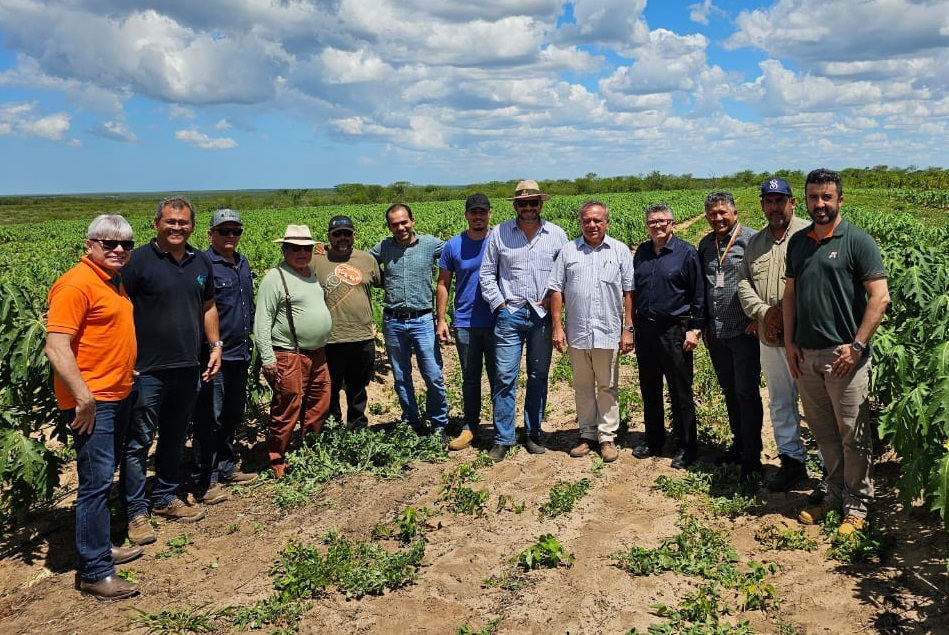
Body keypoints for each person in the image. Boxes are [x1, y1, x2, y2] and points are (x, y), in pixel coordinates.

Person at [784, 168, 889, 536]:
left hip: (845, 357)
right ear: (806, 199)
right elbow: (791, 295)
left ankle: (857, 507)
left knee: (853, 434)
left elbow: (880, 297)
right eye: (814, 197)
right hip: (808, 356)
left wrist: (858, 346)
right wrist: (790, 341)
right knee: (824, 432)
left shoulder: (857, 241)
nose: (820, 204)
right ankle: (834, 493)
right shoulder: (799, 243)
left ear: (840, 199)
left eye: (827, 197)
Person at [45, 215, 142, 600]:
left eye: (125, 244)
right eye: (109, 243)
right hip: (94, 402)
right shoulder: (75, 284)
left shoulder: (111, 282)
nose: (118, 249)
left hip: (117, 394)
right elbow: (56, 346)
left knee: (104, 477)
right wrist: (83, 398)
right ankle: (94, 571)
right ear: (90, 245)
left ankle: (101, 548)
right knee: (95, 484)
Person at [122, 197, 221, 546]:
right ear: (156, 224)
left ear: (192, 226)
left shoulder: (200, 262)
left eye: (183, 222)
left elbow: (208, 306)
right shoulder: (137, 262)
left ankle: (164, 497)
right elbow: (120, 311)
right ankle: (135, 511)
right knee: (138, 442)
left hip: (188, 365)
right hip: (146, 370)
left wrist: (215, 346)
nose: (176, 227)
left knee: (175, 436)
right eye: (170, 221)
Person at [480, 180, 568, 462]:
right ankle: (503, 437)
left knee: (538, 376)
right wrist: (501, 305)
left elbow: (564, 276)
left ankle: (533, 433)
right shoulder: (500, 234)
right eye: (523, 203)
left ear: (541, 204)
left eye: (533, 203)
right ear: (515, 206)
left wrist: (554, 305)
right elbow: (487, 274)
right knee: (505, 376)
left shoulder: (556, 234)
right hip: (511, 315)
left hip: (542, 317)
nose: (528, 208)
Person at [737, 177, 811, 491]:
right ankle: (792, 462)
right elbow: (743, 283)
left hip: (808, 337)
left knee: (816, 402)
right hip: (770, 335)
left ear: (793, 203)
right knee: (781, 401)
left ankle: (834, 471)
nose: (774, 207)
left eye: (780, 200)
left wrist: (789, 315)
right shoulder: (756, 242)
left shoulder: (809, 235)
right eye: (768, 201)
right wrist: (766, 313)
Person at [548, 200, 635, 463]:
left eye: (597, 220)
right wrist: (557, 327)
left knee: (608, 386)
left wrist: (628, 328)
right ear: (580, 223)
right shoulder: (568, 251)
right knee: (583, 386)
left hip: (608, 330)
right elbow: (556, 290)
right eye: (587, 220)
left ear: (606, 222)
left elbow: (629, 292)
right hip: (577, 331)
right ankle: (587, 434)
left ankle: (607, 436)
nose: (592, 225)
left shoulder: (619, 251)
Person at [190, 209, 257, 506]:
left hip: (240, 352)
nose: (230, 236)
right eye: (224, 231)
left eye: (235, 230)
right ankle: (205, 480)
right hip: (214, 354)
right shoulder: (203, 265)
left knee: (231, 413)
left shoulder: (243, 263)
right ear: (210, 234)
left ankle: (226, 466)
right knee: (210, 418)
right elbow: (200, 309)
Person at [254, 225, 333, 478]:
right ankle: (278, 458)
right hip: (289, 354)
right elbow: (262, 322)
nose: (301, 253)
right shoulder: (275, 278)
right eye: (295, 248)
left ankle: (310, 449)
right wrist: (267, 358)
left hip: (317, 353)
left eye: (306, 248)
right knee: (287, 407)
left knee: (318, 404)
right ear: (284, 249)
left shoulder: (309, 273)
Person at [631, 204, 704, 469]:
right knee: (649, 387)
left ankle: (687, 446)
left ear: (672, 223)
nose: (657, 226)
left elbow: (698, 294)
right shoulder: (642, 252)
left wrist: (694, 329)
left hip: (675, 329)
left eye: (662, 221)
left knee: (680, 390)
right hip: (646, 329)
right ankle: (654, 439)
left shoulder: (686, 253)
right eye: (652, 222)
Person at [698, 191, 764, 481]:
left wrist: (759, 318)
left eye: (723, 212)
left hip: (744, 332)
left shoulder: (752, 240)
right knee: (729, 392)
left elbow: (765, 279)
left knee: (747, 393)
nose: (718, 218)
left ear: (735, 213)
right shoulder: (705, 244)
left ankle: (752, 456)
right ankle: (738, 444)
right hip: (717, 332)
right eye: (712, 213)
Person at [369, 204, 448, 437]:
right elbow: (360, 261)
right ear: (389, 226)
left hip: (423, 319)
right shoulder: (383, 247)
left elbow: (457, 251)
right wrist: (327, 254)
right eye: (395, 224)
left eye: (404, 222)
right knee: (401, 376)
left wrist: (488, 236)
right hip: (393, 321)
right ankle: (411, 422)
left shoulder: (430, 244)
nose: (400, 227)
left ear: (412, 221)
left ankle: (438, 424)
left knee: (433, 374)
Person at [436, 194, 497, 451]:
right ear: (466, 215)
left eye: (482, 211)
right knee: (470, 378)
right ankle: (470, 426)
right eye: (473, 212)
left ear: (490, 214)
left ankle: (501, 428)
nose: (478, 216)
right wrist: (441, 319)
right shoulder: (453, 246)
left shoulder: (499, 241)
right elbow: (443, 283)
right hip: (465, 322)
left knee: (499, 377)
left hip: (497, 320)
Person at [311, 215, 382, 430]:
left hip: (362, 337)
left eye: (347, 233)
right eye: (337, 234)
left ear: (354, 235)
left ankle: (357, 427)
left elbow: (383, 282)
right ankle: (332, 427)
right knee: (330, 388)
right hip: (329, 339)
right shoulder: (316, 260)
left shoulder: (367, 259)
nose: (342, 238)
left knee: (358, 387)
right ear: (328, 237)